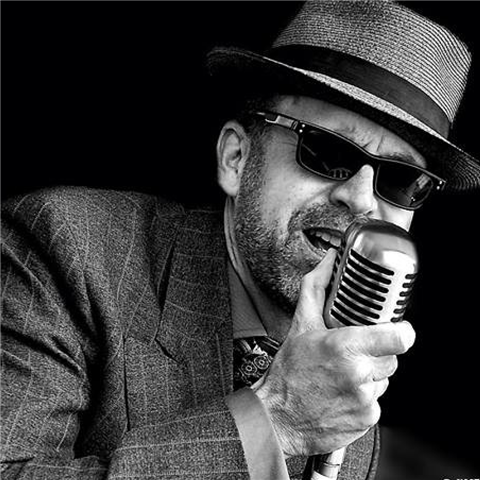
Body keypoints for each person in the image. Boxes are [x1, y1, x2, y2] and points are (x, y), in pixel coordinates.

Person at [0, 1, 478, 479]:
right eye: (327, 151)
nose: (360, 199)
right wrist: (273, 421)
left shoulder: (356, 389)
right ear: (236, 158)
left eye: (400, 180)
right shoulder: (67, 246)